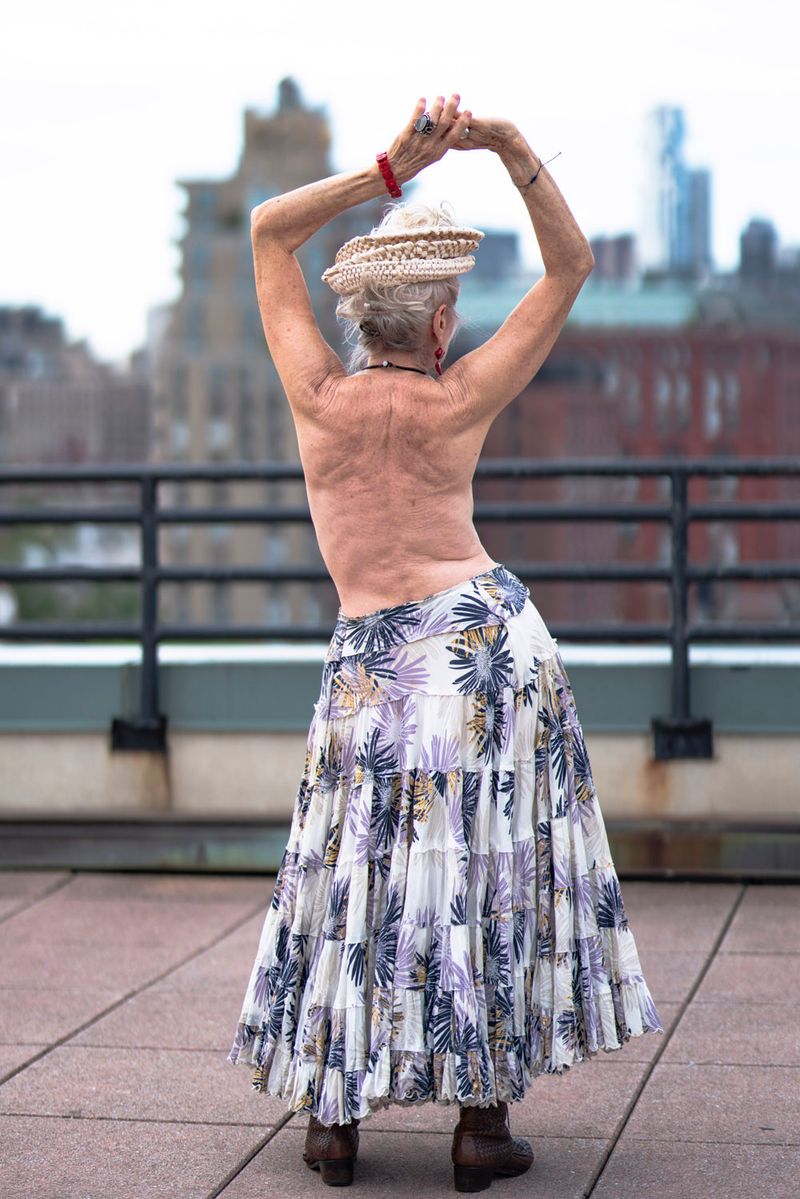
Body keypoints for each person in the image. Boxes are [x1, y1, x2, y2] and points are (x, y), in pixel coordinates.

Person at [227, 94, 664, 1193]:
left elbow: (269, 231)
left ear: (358, 319)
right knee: (479, 869)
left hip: (368, 661)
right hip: (481, 652)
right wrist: (508, 145)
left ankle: (333, 1122)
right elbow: (569, 267)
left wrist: (388, 171)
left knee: (352, 869)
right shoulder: (459, 395)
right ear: (437, 327)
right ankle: (479, 1125)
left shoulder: (316, 396)